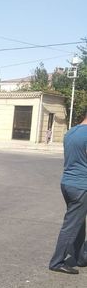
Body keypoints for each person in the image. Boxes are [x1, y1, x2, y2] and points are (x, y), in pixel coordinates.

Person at [49, 108, 87, 274]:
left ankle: (80, 257)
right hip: (81, 186)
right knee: (71, 225)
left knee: (78, 222)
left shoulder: (70, 132)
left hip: (67, 184)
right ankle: (57, 262)